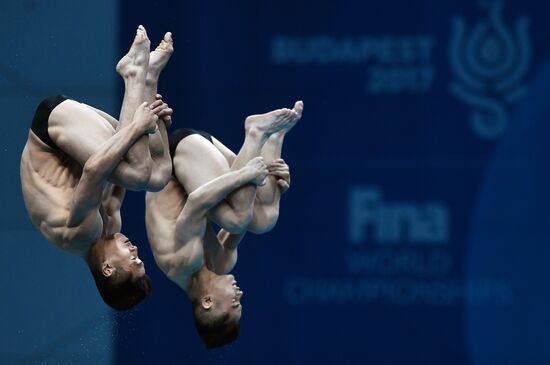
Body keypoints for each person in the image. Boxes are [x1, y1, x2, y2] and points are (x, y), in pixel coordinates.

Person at [20, 25, 173, 310]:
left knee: (139, 173)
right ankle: (148, 80)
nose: (137, 251)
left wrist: (140, 125)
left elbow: (93, 170)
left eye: (134, 262)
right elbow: (122, 165)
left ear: (107, 269)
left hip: (50, 131)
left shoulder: (80, 235)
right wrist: (154, 122)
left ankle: (134, 74)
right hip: (73, 137)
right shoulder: (110, 226)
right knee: (159, 175)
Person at [146, 102, 302, 347]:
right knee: (264, 220)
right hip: (205, 165)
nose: (240, 295)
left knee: (236, 219)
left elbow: (197, 202)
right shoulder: (222, 263)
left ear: (208, 302)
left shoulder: (180, 261)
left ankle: (256, 133)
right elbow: (248, 212)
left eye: (234, 302)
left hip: (181, 155)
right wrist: (275, 187)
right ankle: (273, 139)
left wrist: (246, 175)